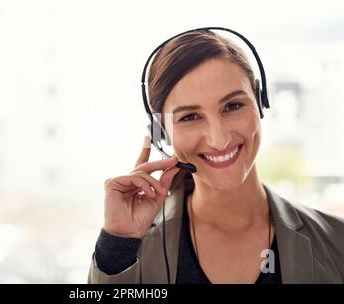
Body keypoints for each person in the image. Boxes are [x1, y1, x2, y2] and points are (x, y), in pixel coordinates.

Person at [88, 30, 344, 284]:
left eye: (233, 106)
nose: (218, 139)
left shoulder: (337, 241)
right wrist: (118, 245)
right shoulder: (132, 248)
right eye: (189, 117)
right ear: (161, 132)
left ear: (260, 102)